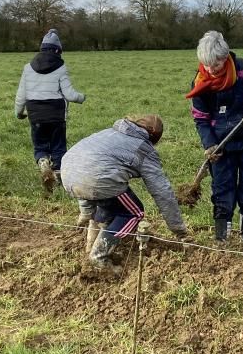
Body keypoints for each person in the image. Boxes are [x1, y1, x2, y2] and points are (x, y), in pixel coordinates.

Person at [60, 115, 189, 272]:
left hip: (67, 172)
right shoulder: (143, 148)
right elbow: (162, 191)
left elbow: (83, 165)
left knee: (110, 201)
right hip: (95, 179)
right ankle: (98, 257)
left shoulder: (109, 133)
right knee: (134, 213)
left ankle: (91, 242)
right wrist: (179, 231)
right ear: (153, 135)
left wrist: (86, 212)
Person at [187, 31, 243, 251]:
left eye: (215, 64)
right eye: (206, 64)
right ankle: (222, 238)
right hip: (221, 144)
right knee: (222, 189)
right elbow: (200, 118)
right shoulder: (200, 82)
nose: (211, 69)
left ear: (225, 56)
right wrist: (209, 144)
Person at [14, 28, 85, 193]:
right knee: (58, 147)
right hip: (56, 114)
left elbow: (21, 94)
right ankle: (59, 179)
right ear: (58, 50)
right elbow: (69, 94)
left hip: (35, 114)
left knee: (40, 146)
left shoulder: (28, 67)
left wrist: (19, 112)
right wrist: (82, 97)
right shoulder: (61, 67)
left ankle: (43, 162)